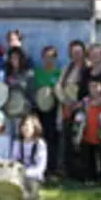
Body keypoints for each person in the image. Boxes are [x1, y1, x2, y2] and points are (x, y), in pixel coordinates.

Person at [75, 75, 101, 185]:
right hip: (87, 134)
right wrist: (77, 132)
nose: (93, 89)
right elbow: (79, 117)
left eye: (96, 86)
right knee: (88, 158)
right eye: (91, 86)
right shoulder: (85, 101)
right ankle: (89, 177)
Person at [56, 40, 87, 176]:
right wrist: (65, 101)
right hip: (67, 108)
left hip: (82, 109)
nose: (76, 55)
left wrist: (78, 103)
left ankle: (79, 171)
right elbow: (58, 86)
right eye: (73, 53)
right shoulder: (67, 68)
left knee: (79, 140)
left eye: (79, 52)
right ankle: (66, 169)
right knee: (66, 139)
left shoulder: (88, 68)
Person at [33, 46, 61, 174]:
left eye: (51, 56)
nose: (48, 59)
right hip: (39, 109)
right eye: (46, 56)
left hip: (53, 109)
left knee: (51, 138)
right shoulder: (37, 73)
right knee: (39, 137)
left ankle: (52, 167)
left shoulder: (59, 73)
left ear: (55, 58)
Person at [11, 114, 47, 200]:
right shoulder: (17, 143)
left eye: (28, 126)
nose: (25, 129)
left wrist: (26, 173)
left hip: (33, 177)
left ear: (34, 128)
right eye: (23, 126)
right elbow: (13, 161)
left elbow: (40, 168)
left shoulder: (40, 144)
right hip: (18, 176)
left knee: (30, 193)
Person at [3, 47, 33, 136]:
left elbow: (31, 92)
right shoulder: (6, 73)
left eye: (16, 58)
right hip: (8, 111)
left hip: (22, 111)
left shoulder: (28, 74)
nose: (14, 60)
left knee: (18, 136)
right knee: (7, 136)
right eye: (12, 58)